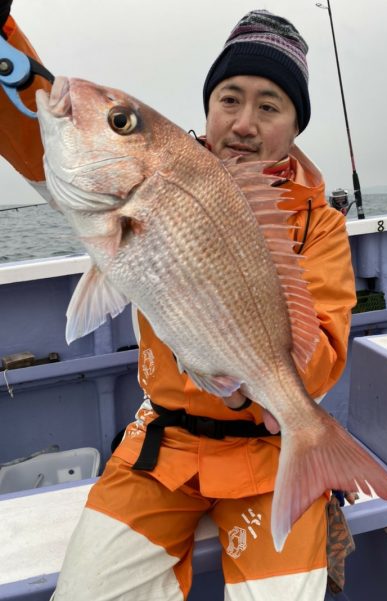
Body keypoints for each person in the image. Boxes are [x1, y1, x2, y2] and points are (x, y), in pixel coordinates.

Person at [0, 7, 356, 600]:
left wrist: (254, 380)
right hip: (160, 448)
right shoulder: (159, 170)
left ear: (296, 124)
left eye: (269, 106)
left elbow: (323, 348)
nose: (243, 122)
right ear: (208, 106)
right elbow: (46, 128)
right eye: (229, 99)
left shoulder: (319, 224)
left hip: (268, 454)